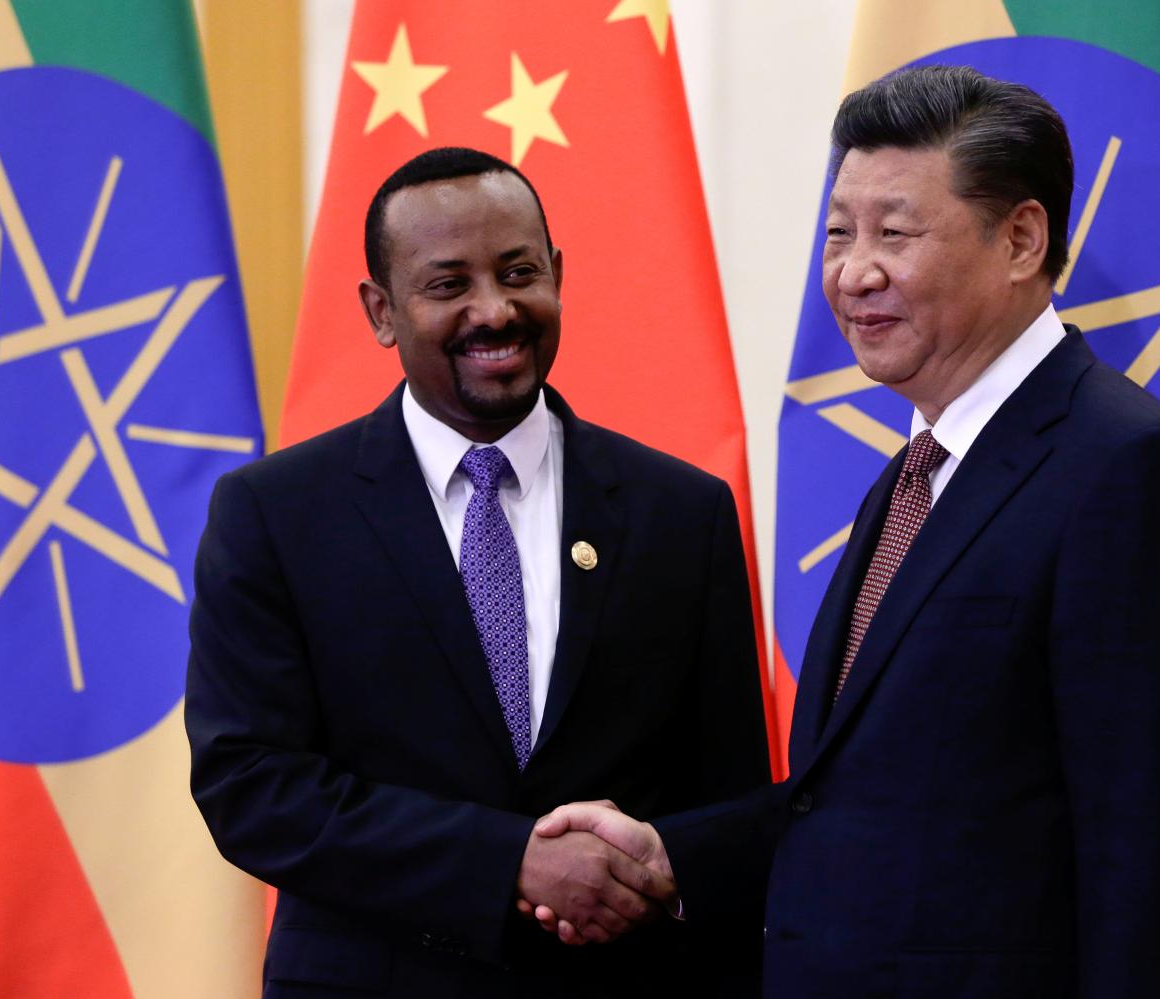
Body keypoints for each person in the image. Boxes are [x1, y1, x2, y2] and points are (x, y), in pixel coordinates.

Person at [529, 65, 1160, 998]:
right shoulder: (914, 474)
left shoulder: (1131, 472)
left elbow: (1159, 864)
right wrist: (672, 853)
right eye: (838, 233)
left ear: (1021, 239)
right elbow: (869, 795)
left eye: (895, 233)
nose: (853, 271)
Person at [185, 147, 771, 998]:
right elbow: (253, 786)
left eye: (519, 272)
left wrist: (665, 867)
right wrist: (509, 866)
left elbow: (731, 805)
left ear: (559, 277)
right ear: (382, 311)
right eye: (449, 284)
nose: (495, 311)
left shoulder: (683, 511)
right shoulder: (276, 513)